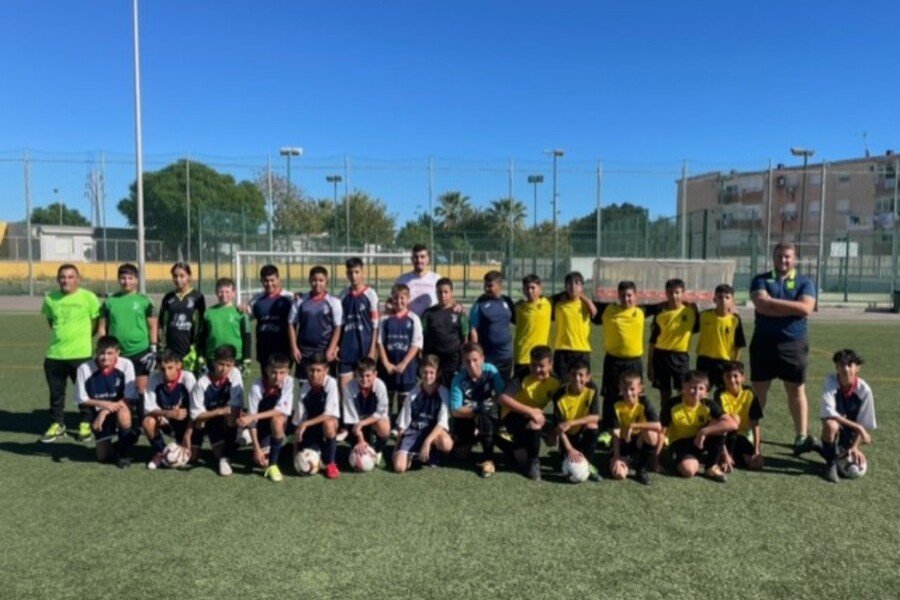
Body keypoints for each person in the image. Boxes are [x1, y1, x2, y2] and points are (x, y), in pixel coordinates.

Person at [749, 241, 818, 456]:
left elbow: (806, 308)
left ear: (795, 258)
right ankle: (751, 431)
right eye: (779, 256)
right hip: (763, 342)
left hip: (794, 344)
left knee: (796, 390)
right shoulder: (760, 279)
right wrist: (792, 309)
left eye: (788, 256)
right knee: (759, 389)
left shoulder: (805, 282)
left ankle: (801, 435)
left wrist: (772, 303)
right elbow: (761, 305)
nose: (783, 260)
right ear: (773, 257)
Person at [40, 263, 101, 443]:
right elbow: (51, 322)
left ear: (78, 279)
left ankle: (85, 424)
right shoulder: (50, 299)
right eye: (63, 277)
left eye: (70, 277)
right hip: (54, 355)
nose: (66, 280)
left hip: (81, 355)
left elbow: (95, 324)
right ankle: (58, 424)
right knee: (56, 393)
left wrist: (82, 340)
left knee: (84, 392)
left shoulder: (89, 297)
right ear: (58, 279)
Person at [657, 371, 737, 482]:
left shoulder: (707, 403)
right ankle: (687, 460)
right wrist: (655, 459)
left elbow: (732, 424)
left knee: (722, 423)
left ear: (706, 391)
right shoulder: (672, 405)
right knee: (689, 471)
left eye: (701, 389)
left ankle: (711, 467)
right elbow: (661, 432)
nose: (696, 392)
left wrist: (703, 432)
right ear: (683, 387)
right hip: (679, 443)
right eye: (693, 388)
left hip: (700, 440)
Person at [73, 336, 139, 467]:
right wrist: (103, 406)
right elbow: (81, 399)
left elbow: (129, 396)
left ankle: (123, 455)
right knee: (103, 457)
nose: (105, 357)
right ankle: (127, 438)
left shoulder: (126, 364)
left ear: (117, 353)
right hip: (98, 414)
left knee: (124, 413)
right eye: (101, 353)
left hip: (119, 408)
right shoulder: (84, 369)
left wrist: (104, 411)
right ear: (96, 352)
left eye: (109, 353)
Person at [496, 345, 561, 481]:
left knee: (537, 427)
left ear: (550, 365)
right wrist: (531, 411)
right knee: (523, 457)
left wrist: (553, 432)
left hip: (532, 417)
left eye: (541, 366)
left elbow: (560, 409)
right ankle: (533, 462)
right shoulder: (522, 375)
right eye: (533, 365)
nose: (536, 369)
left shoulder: (555, 382)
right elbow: (503, 398)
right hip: (511, 417)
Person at [593, 280, 661, 402]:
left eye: (629, 295)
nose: (626, 298)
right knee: (611, 397)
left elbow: (661, 307)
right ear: (618, 296)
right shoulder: (609, 310)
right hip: (613, 362)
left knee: (635, 397)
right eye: (623, 295)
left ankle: (635, 421)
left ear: (635, 296)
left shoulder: (640, 311)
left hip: (634, 363)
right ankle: (610, 421)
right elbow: (591, 309)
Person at [98, 263, 157, 400]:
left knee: (141, 389)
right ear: (118, 279)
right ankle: (119, 420)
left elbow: (152, 325)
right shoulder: (109, 302)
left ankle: (142, 420)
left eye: (130, 278)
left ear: (136, 279)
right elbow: (102, 327)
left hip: (140, 351)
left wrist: (153, 348)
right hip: (117, 353)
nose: (126, 281)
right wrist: (102, 348)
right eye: (123, 278)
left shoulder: (145, 301)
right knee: (117, 388)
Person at [450, 342, 506, 478]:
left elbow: (503, 395)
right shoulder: (458, 379)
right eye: (467, 361)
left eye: (475, 360)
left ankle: (488, 459)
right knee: (460, 455)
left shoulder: (491, 371)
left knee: (484, 417)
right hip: (467, 418)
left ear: (482, 358)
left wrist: (490, 405)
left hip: (489, 416)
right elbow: (455, 410)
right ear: (463, 361)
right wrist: (477, 409)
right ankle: (475, 437)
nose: (472, 364)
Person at [820, 349, 876, 483]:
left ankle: (816, 445)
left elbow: (866, 423)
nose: (845, 368)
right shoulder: (830, 381)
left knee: (846, 454)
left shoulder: (865, 391)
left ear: (857, 368)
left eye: (850, 364)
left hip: (851, 431)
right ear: (836, 368)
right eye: (841, 364)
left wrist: (855, 447)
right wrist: (860, 428)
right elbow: (829, 413)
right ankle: (830, 465)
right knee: (831, 425)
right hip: (836, 424)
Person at [189, 344, 244, 476]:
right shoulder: (201, 384)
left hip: (223, 419)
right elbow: (197, 416)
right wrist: (219, 411)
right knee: (193, 458)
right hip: (206, 420)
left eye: (228, 365)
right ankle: (240, 440)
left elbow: (235, 405)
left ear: (233, 364)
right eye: (221, 364)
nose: (224, 369)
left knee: (233, 413)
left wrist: (226, 412)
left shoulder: (235, 373)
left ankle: (224, 459)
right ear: (214, 362)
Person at [238, 353, 294, 483]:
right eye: (274, 372)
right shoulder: (257, 387)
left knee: (277, 420)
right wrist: (256, 449)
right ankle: (280, 447)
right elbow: (252, 422)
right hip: (263, 426)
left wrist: (253, 416)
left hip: (283, 422)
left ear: (288, 371)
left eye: (282, 372)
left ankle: (273, 465)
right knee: (262, 461)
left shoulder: (288, 381)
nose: (278, 377)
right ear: (267, 369)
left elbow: (280, 410)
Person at [394, 355, 453, 473]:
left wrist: (427, 441)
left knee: (446, 443)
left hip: (432, 433)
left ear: (438, 373)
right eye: (425, 372)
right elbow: (403, 424)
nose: (428, 376)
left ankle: (433, 452)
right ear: (420, 371)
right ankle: (415, 455)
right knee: (399, 468)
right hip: (414, 433)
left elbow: (442, 423)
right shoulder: (413, 394)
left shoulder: (444, 393)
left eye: (432, 372)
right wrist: (397, 448)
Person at [143, 350, 198, 470]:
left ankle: (181, 444)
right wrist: (169, 413)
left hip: (187, 423)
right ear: (158, 367)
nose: (166, 372)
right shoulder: (154, 377)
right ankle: (161, 453)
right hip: (167, 421)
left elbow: (196, 410)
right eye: (163, 369)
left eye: (170, 367)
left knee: (193, 458)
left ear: (178, 365)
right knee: (148, 421)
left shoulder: (188, 378)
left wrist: (187, 435)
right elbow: (148, 408)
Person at [377, 283, 423, 426]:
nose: (399, 301)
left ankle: (401, 426)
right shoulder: (384, 320)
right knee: (387, 398)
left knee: (405, 400)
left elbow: (416, 344)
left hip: (407, 368)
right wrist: (385, 363)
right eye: (396, 298)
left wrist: (404, 363)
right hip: (388, 367)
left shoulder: (414, 319)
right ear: (392, 299)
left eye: (402, 298)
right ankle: (388, 423)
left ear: (408, 299)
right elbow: (380, 343)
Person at [648, 278, 699, 405]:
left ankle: (679, 421)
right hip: (661, 356)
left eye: (677, 292)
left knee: (683, 391)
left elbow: (697, 328)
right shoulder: (660, 313)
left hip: (681, 357)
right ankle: (665, 421)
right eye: (670, 292)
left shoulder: (691, 311)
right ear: (666, 293)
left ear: (683, 292)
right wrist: (650, 366)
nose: (673, 296)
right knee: (664, 394)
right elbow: (652, 342)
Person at [288, 265, 343, 382]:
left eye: (321, 280)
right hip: (304, 352)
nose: (317, 283)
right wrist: (294, 348)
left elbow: (338, 327)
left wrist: (331, 349)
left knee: (327, 386)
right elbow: (291, 324)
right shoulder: (300, 300)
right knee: (305, 386)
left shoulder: (334, 302)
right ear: (309, 280)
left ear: (326, 281)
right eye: (314, 280)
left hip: (324, 351)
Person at [292, 353, 342, 479]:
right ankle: (320, 454)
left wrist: (305, 424)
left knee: (329, 423)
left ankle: (331, 463)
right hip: (312, 429)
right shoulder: (304, 389)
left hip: (326, 424)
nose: (314, 374)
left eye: (319, 370)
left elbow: (329, 413)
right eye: (312, 370)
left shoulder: (331, 383)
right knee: (308, 457)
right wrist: (295, 450)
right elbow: (299, 421)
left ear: (326, 370)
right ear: (307, 369)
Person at [552, 360, 602, 482]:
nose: (577, 378)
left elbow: (595, 417)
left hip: (582, 430)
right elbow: (560, 427)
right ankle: (564, 453)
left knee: (592, 425)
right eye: (573, 374)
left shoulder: (592, 389)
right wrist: (569, 449)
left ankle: (588, 464)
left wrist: (571, 422)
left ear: (588, 377)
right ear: (568, 375)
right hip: (568, 435)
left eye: (581, 375)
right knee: (563, 463)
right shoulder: (559, 395)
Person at [606, 371, 660, 486]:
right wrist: (616, 456)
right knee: (619, 474)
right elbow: (615, 432)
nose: (628, 393)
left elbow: (658, 425)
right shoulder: (615, 403)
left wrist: (633, 425)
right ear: (620, 387)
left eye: (632, 389)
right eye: (625, 389)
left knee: (651, 434)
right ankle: (628, 460)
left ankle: (641, 469)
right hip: (623, 442)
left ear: (640, 388)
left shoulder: (644, 402)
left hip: (639, 440)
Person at [337, 258, 379, 390]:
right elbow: (339, 325)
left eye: (356, 272)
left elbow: (375, 325)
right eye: (350, 273)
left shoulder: (371, 294)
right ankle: (345, 411)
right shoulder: (342, 295)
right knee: (345, 391)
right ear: (347, 274)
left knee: (365, 390)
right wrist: (337, 346)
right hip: (347, 349)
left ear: (363, 273)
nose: (353, 276)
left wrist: (372, 349)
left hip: (365, 349)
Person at [715, 361, 764, 472]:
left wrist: (757, 451)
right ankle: (725, 456)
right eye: (728, 376)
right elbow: (720, 427)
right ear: (723, 378)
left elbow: (755, 423)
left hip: (740, 436)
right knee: (733, 420)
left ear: (743, 378)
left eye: (735, 376)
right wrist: (725, 454)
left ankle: (733, 458)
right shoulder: (720, 394)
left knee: (757, 463)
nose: (732, 380)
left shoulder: (749, 393)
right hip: (722, 436)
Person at [342, 358, 390, 469]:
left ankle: (377, 451)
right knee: (358, 448)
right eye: (361, 375)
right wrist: (361, 439)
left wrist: (363, 423)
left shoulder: (380, 386)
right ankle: (360, 443)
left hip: (370, 422)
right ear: (355, 374)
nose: (364, 379)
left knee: (384, 426)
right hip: (355, 425)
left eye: (368, 375)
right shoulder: (349, 388)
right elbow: (352, 419)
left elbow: (381, 413)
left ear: (375, 374)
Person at [696, 284, 746, 390]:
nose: (723, 300)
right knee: (703, 391)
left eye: (727, 297)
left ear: (732, 300)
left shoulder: (735, 320)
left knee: (723, 392)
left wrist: (734, 363)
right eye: (720, 297)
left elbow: (738, 344)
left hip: (724, 362)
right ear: (714, 299)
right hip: (704, 360)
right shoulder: (704, 316)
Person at [158, 262, 206, 371]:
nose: (178, 279)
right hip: (171, 349)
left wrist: (198, 348)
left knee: (189, 383)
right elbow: (161, 323)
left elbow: (201, 325)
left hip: (189, 350)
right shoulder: (168, 297)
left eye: (182, 276)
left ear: (189, 276)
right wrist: (161, 347)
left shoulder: (198, 297)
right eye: (175, 276)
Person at [469, 270, 516, 382]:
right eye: (485, 286)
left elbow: (516, 320)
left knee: (504, 388)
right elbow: (473, 329)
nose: (486, 289)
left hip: (505, 355)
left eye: (490, 286)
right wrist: (475, 352)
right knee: (486, 387)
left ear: (500, 286)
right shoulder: (480, 303)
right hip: (488, 356)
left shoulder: (507, 301)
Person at [422, 277, 469, 388]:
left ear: (451, 293)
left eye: (446, 292)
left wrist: (462, 360)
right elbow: (422, 336)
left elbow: (465, 338)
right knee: (433, 387)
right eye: (439, 292)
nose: (443, 295)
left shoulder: (459, 313)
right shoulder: (428, 314)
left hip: (453, 360)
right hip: (433, 359)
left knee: (451, 388)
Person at [551, 271, 598, 380]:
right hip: (562, 350)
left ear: (582, 287)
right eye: (570, 284)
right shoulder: (558, 304)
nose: (573, 286)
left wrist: (583, 297)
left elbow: (594, 312)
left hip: (582, 350)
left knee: (583, 384)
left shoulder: (585, 305)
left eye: (577, 284)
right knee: (561, 385)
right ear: (565, 286)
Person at [197, 278, 252, 370]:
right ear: (216, 292)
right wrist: (201, 356)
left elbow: (246, 336)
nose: (224, 295)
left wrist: (247, 358)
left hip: (235, 358)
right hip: (213, 357)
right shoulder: (208, 313)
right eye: (220, 292)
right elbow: (202, 336)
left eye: (227, 292)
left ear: (234, 293)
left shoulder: (240, 312)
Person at [248, 264, 294, 372]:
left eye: (272, 280)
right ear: (261, 281)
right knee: (266, 385)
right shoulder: (256, 300)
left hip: (284, 350)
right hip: (264, 349)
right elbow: (247, 317)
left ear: (278, 279)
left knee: (283, 383)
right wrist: (241, 309)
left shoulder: (289, 298)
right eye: (265, 281)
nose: (269, 284)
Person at [513, 274, 552, 381]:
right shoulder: (519, 307)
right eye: (527, 288)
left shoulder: (547, 304)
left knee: (540, 392)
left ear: (540, 289)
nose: (530, 291)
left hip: (540, 358)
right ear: (523, 290)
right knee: (520, 392)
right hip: (522, 356)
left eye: (533, 288)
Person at [395, 244, 441, 316]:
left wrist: (457, 305)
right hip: (409, 323)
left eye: (422, 257)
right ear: (411, 259)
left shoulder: (437, 279)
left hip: (430, 324)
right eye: (416, 257)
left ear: (428, 259)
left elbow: (448, 300)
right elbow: (392, 301)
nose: (419, 260)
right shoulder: (402, 280)